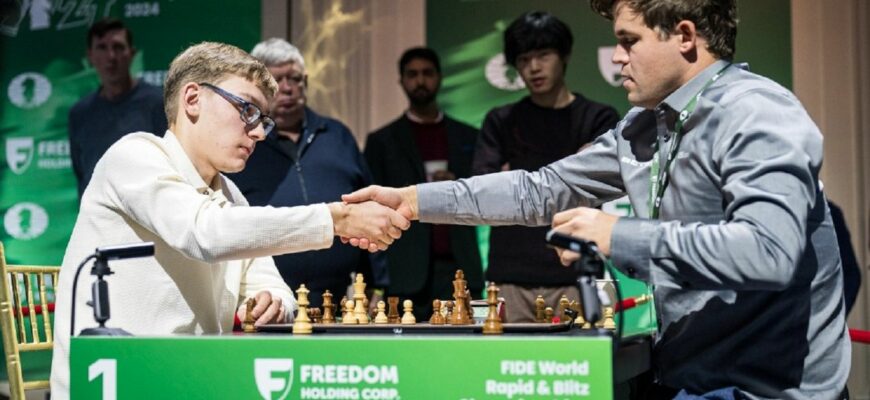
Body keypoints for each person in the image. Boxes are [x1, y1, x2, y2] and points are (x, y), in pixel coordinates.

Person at [343, 0, 851, 398]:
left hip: (765, 389)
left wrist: (616, 234)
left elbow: (769, 250)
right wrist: (412, 199)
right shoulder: (645, 126)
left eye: (629, 41)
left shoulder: (756, 112)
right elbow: (538, 190)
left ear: (685, 36)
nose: (617, 57)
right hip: (685, 376)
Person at [50, 42, 409, 399]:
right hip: (113, 384)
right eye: (247, 109)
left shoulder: (230, 195)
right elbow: (203, 233)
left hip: (190, 382)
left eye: (263, 121)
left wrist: (273, 302)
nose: (259, 133)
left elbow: (274, 286)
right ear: (193, 99)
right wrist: (335, 219)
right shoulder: (133, 157)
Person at [472, 11, 620, 322]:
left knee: (581, 354)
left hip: (577, 273)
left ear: (564, 56)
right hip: (510, 275)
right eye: (524, 59)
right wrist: (574, 169)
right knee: (505, 355)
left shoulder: (598, 118)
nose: (534, 67)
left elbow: (595, 186)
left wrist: (514, 177)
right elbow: (486, 191)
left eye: (543, 55)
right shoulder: (501, 121)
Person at [228, 38, 386, 308]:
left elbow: (367, 204)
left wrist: (378, 282)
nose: (287, 88)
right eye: (276, 81)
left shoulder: (337, 135)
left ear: (306, 82)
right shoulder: (244, 143)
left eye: (294, 78)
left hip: (337, 297)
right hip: (264, 299)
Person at [365, 47, 483, 320]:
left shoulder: (468, 136)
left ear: (439, 77)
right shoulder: (382, 141)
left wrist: (457, 186)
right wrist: (376, 280)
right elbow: (372, 209)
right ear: (402, 81)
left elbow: (483, 192)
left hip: (461, 264)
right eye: (412, 74)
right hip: (405, 272)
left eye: (427, 73)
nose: (420, 81)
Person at [68, 17, 168, 197]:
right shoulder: (79, 113)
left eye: (118, 47)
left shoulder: (158, 103)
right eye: (102, 47)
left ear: (132, 53)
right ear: (90, 56)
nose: (111, 56)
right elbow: (81, 173)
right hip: (97, 213)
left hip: (148, 211)